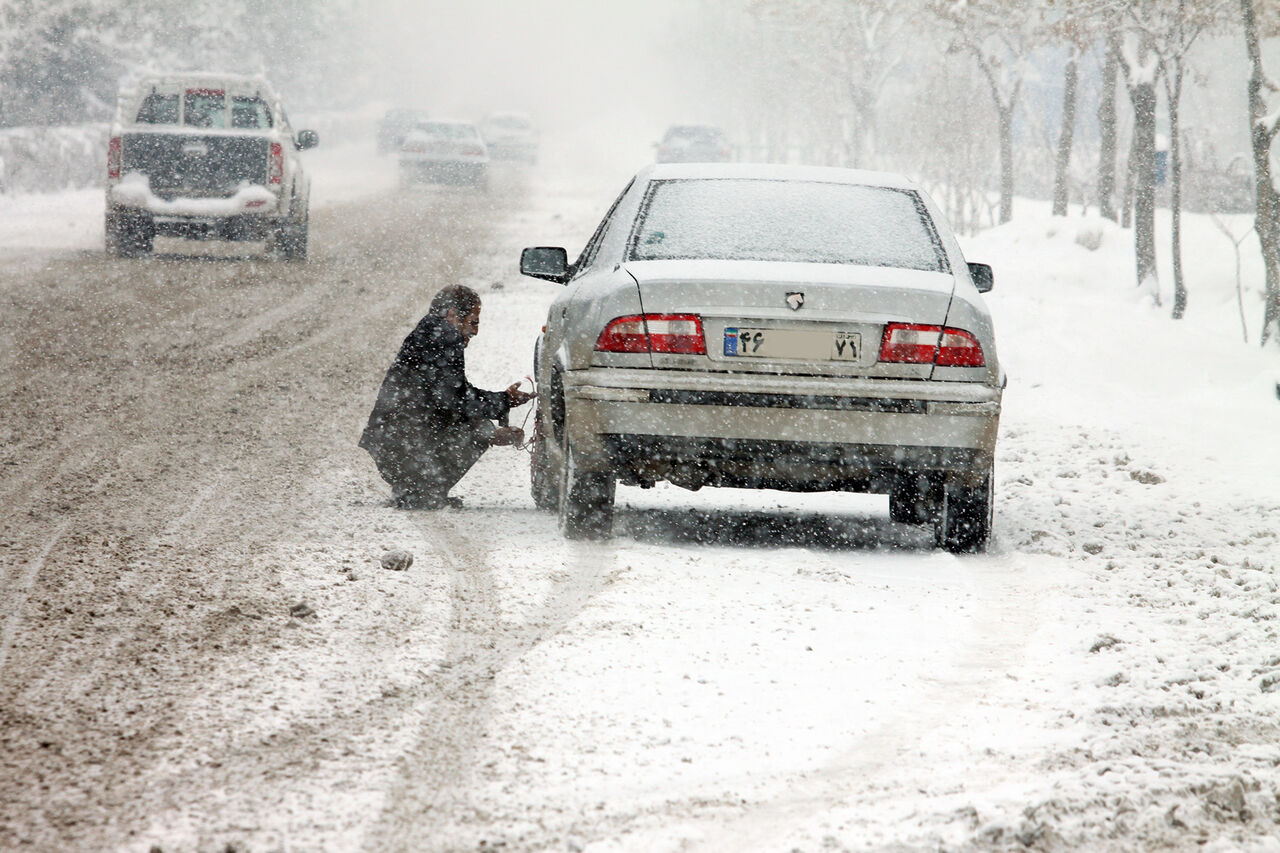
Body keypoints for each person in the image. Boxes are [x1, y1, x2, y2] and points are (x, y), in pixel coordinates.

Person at [360, 284, 535, 509]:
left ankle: (414, 487)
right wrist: (501, 407)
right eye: (473, 322)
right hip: (403, 445)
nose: (475, 331)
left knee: (477, 423)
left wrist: (501, 401)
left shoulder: (430, 331)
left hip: (391, 442)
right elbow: (456, 400)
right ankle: (422, 491)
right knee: (479, 428)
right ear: (452, 314)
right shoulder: (445, 335)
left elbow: (451, 394)